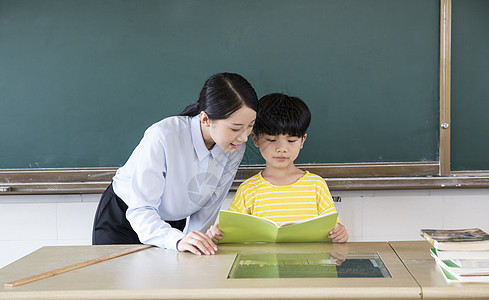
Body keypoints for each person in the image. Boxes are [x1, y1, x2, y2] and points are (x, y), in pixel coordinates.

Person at [92, 72, 258, 256]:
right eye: (235, 128)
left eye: (250, 126)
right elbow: (142, 208)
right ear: (205, 119)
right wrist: (176, 240)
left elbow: (209, 207)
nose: (243, 137)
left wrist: (197, 243)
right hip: (124, 219)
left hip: (171, 223)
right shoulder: (163, 136)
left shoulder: (233, 147)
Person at [207, 93, 348, 244]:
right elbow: (230, 233)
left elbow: (333, 230)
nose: (282, 148)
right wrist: (216, 234)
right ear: (255, 139)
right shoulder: (248, 189)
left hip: (308, 265)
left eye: (291, 140)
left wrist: (340, 233)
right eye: (272, 139)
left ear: (302, 141)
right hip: (260, 265)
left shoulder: (316, 186)